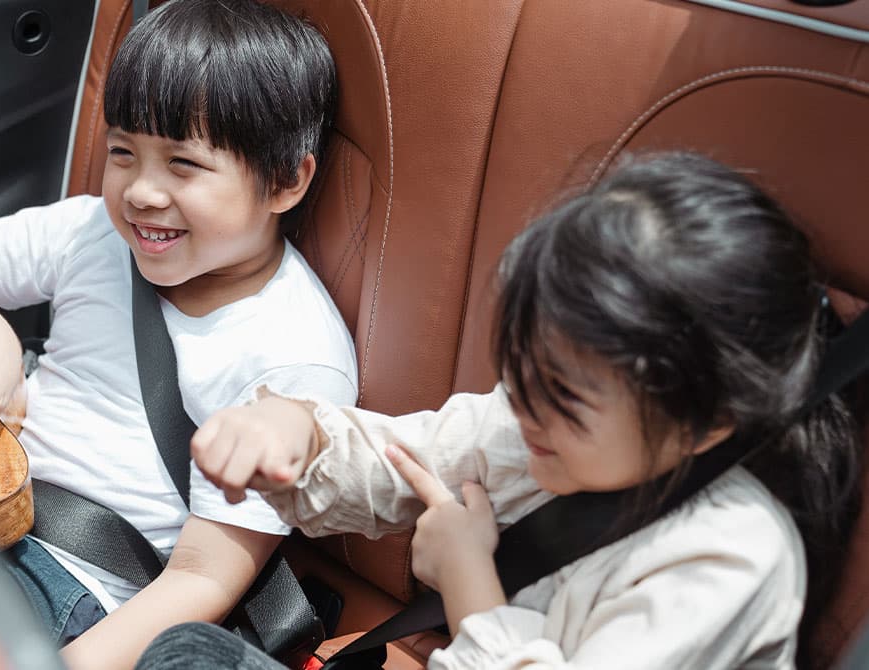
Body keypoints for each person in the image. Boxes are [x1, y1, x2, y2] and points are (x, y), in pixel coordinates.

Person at [146, 153, 862, 669]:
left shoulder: (730, 558)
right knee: (184, 652)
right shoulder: (531, 427)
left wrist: (467, 580)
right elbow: (397, 458)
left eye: (564, 397)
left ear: (708, 419)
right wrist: (292, 431)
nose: (521, 409)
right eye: (519, 372)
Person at [0, 1, 354, 668]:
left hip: (71, 586)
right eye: (123, 152)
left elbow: (202, 578)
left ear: (285, 181)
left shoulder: (294, 358)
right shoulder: (93, 233)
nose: (141, 193)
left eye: (183, 165)